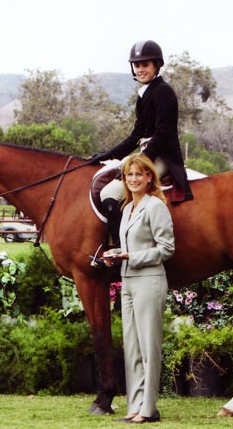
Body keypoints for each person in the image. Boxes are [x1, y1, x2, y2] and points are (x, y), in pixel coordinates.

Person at [90, 39, 192, 254]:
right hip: (147, 154)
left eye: (145, 64)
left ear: (156, 65)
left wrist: (139, 161)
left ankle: (120, 248)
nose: (141, 69)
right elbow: (136, 135)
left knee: (111, 192)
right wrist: (107, 155)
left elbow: (163, 134)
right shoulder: (144, 94)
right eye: (137, 65)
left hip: (162, 155)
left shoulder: (163, 92)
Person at [102, 154, 174, 424]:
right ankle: (134, 405)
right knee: (131, 346)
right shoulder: (127, 208)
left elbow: (166, 249)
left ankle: (149, 408)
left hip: (150, 280)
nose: (133, 179)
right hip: (128, 281)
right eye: (128, 175)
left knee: (148, 346)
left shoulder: (155, 207)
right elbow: (133, 247)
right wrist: (116, 253)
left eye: (138, 175)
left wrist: (130, 257)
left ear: (148, 178)